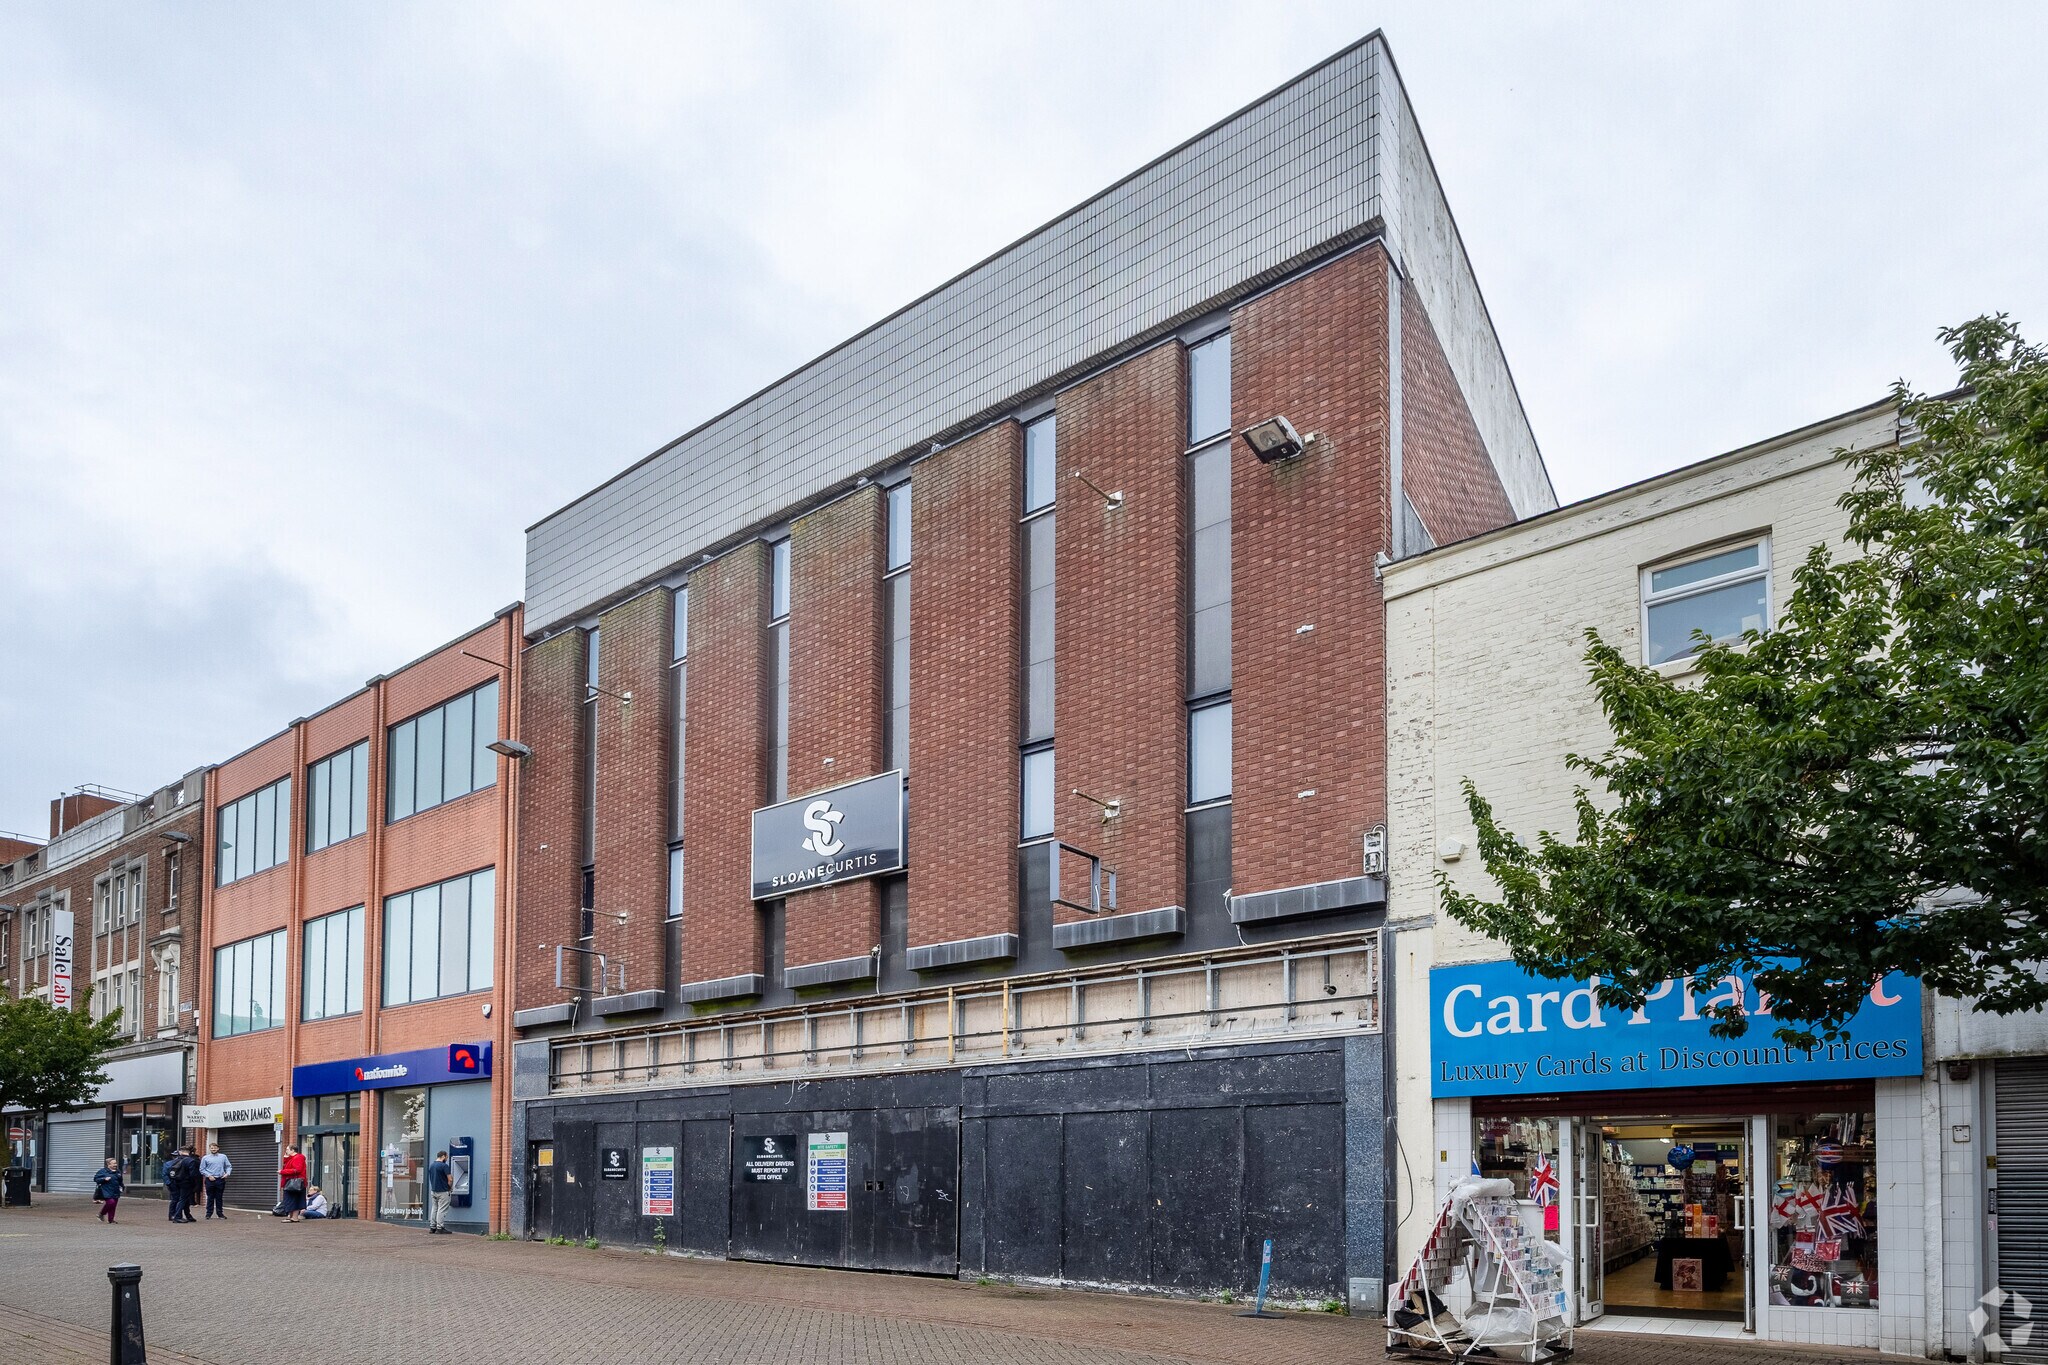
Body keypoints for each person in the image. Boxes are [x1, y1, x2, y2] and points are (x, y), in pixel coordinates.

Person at [199, 1142, 232, 1219]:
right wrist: (208, 1175)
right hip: (210, 1180)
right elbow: (202, 1169)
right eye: (211, 1148)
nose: (213, 1149)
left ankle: (220, 1214)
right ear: (209, 1149)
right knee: (210, 1197)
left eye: (215, 1148)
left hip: (220, 1179)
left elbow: (228, 1166)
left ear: (218, 1148)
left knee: (219, 1197)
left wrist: (227, 1173)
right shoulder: (205, 1158)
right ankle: (208, 1214)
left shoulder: (223, 1157)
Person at [424, 1149, 453, 1233]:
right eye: (446, 1157)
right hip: (443, 1191)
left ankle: (432, 1227)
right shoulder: (444, 1166)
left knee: (434, 1208)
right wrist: (449, 1187)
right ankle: (440, 1227)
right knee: (442, 1209)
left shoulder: (432, 1165)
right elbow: (450, 1179)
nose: (447, 1159)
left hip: (434, 1190)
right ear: (443, 1156)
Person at [279, 1143, 309, 1223]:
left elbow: (297, 1170)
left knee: (294, 1198)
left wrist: (283, 1172)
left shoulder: (298, 1158)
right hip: (291, 1182)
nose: (286, 1151)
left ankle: (294, 1217)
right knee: (290, 1199)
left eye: (287, 1149)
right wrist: (285, 1159)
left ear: (292, 1150)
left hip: (295, 1182)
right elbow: (287, 1166)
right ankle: (291, 1216)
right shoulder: (292, 1158)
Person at [165, 1147, 196, 1223]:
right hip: (186, 1183)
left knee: (183, 1199)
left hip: (176, 1182)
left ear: (180, 1152)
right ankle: (177, 1216)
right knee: (183, 1199)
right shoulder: (190, 1161)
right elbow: (192, 1174)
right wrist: (193, 1184)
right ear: (189, 1152)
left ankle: (187, 1215)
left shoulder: (175, 1160)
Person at [93, 1157, 123, 1223]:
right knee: (111, 1202)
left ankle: (111, 1219)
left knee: (113, 1205)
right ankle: (101, 1213)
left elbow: (120, 1181)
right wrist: (104, 1179)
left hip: (115, 1190)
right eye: (114, 1163)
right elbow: (96, 1179)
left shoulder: (118, 1171)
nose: (116, 1165)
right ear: (109, 1164)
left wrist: (122, 1187)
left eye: (116, 1163)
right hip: (106, 1190)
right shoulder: (102, 1171)